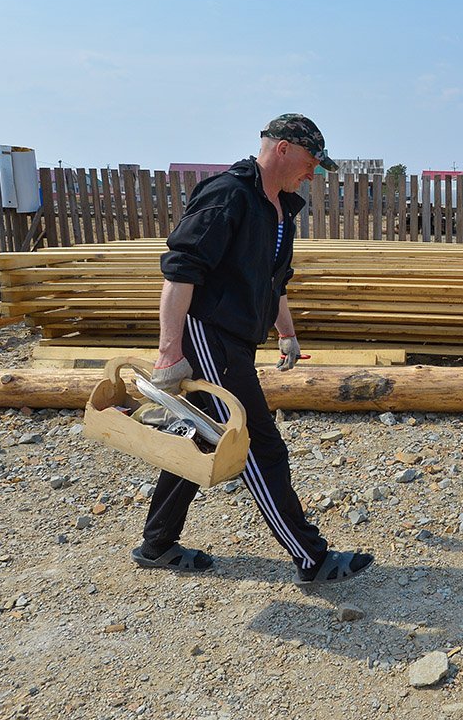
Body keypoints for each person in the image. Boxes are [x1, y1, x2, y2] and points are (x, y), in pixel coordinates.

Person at [130, 114, 374, 585]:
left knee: (205, 435)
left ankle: (156, 542)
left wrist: (286, 332)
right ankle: (312, 558)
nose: (314, 172)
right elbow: (181, 270)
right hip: (209, 332)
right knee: (257, 441)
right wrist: (168, 351)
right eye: (311, 161)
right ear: (282, 148)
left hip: (238, 338)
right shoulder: (229, 194)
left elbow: (273, 281)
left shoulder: (278, 207)